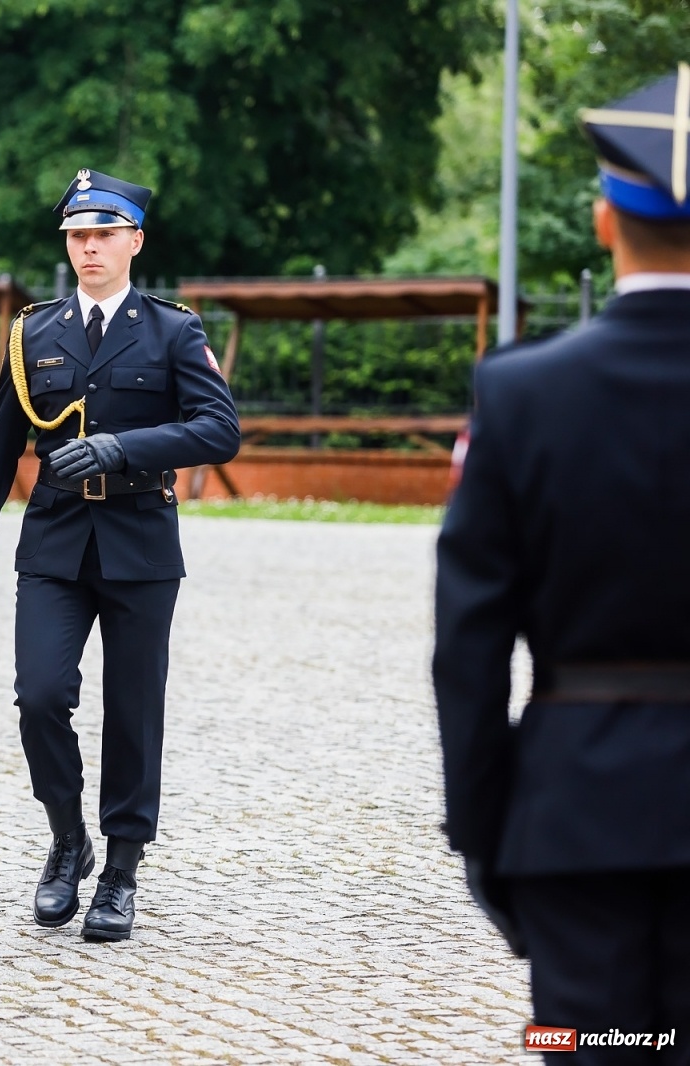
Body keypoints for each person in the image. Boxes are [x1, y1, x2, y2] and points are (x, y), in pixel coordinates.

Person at [435, 68, 690, 1057]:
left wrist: (483, 831)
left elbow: (468, 646)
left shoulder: (524, 396)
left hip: (578, 817)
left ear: (601, 220)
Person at [0, 169, 239, 941]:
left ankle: (121, 871)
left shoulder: (174, 331)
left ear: (134, 240)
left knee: (135, 712)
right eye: (77, 235)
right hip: (55, 543)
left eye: (105, 234)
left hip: (141, 541)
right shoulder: (34, 333)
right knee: (40, 694)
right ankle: (67, 837)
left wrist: (119, 447)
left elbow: (218, 430)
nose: (89, 247)